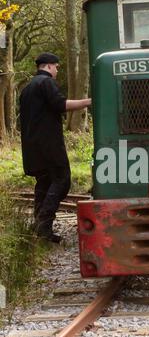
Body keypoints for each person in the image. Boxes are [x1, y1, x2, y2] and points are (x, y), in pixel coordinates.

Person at [19, 52, 91, 243]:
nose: (58, 70)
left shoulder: (27, 89)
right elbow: (60, 104)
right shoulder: (46, 83)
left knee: (43, 182)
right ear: (49, 66)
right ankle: (44, 225)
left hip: (31, 145)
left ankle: (38, 226)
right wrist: (88, 102)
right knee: (62, 180)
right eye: (57, 67)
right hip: (49, 144)